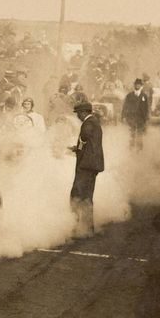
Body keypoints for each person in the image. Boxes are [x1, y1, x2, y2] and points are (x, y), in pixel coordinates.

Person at [68, 102, 104, 238]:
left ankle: (77, 227)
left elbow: (85, 138)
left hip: (86, 165)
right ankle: (87, 228)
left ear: (83, 112)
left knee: (77, 194)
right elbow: (88, 144)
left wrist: (79, 148)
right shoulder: (94, 122)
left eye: (78, 113)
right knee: (86, 195)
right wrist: (76, 148)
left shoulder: (89, 123)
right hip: (91, 164)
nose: (77, 116)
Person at [121, 78, 150, 151]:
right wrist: (123, 116)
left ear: (141, 86)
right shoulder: (129, 95)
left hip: (141, 117)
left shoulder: (144, 96)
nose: (137, 86)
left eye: (139, 85)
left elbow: (147, 108)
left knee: (140, 133)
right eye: (136, 84)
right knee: (132, 132)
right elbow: (125, 106)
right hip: (131, 117)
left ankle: (139, 149)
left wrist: (147, 118)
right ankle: (131, 147)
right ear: (134, 85)